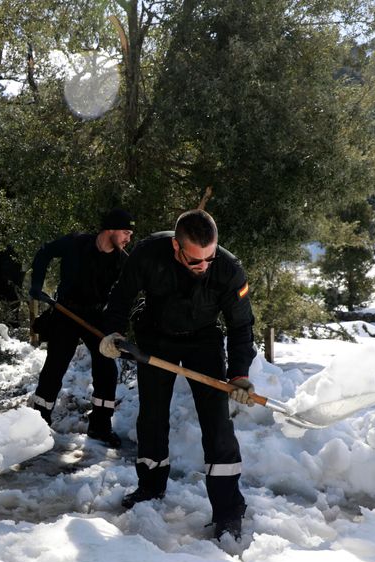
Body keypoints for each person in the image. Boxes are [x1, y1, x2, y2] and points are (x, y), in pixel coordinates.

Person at [99, 209, 256, 541]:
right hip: (156, 338)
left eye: (209, 259)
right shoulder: (147, 254)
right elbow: (121, 296)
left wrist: (239, 375)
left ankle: (228, 509)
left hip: (204, 341)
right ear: (176, 247)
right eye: (195, 261)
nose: (204, 268)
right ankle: (150, 487)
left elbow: (241, 327)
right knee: (152, 416)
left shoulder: (228, 270)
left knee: (217, 424)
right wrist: (111, 333)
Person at [28, 208, 134, 447]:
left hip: (96, 317)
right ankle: (38, 426)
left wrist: (117, 329)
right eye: (126, 232)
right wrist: (36, 285)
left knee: (107, 368)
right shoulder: (76, 243)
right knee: (55, 366)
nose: (129, 238)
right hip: (66, 312)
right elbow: (44, 253)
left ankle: (100, 427)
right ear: (110, 230)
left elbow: (125, 297)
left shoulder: (122, 261)